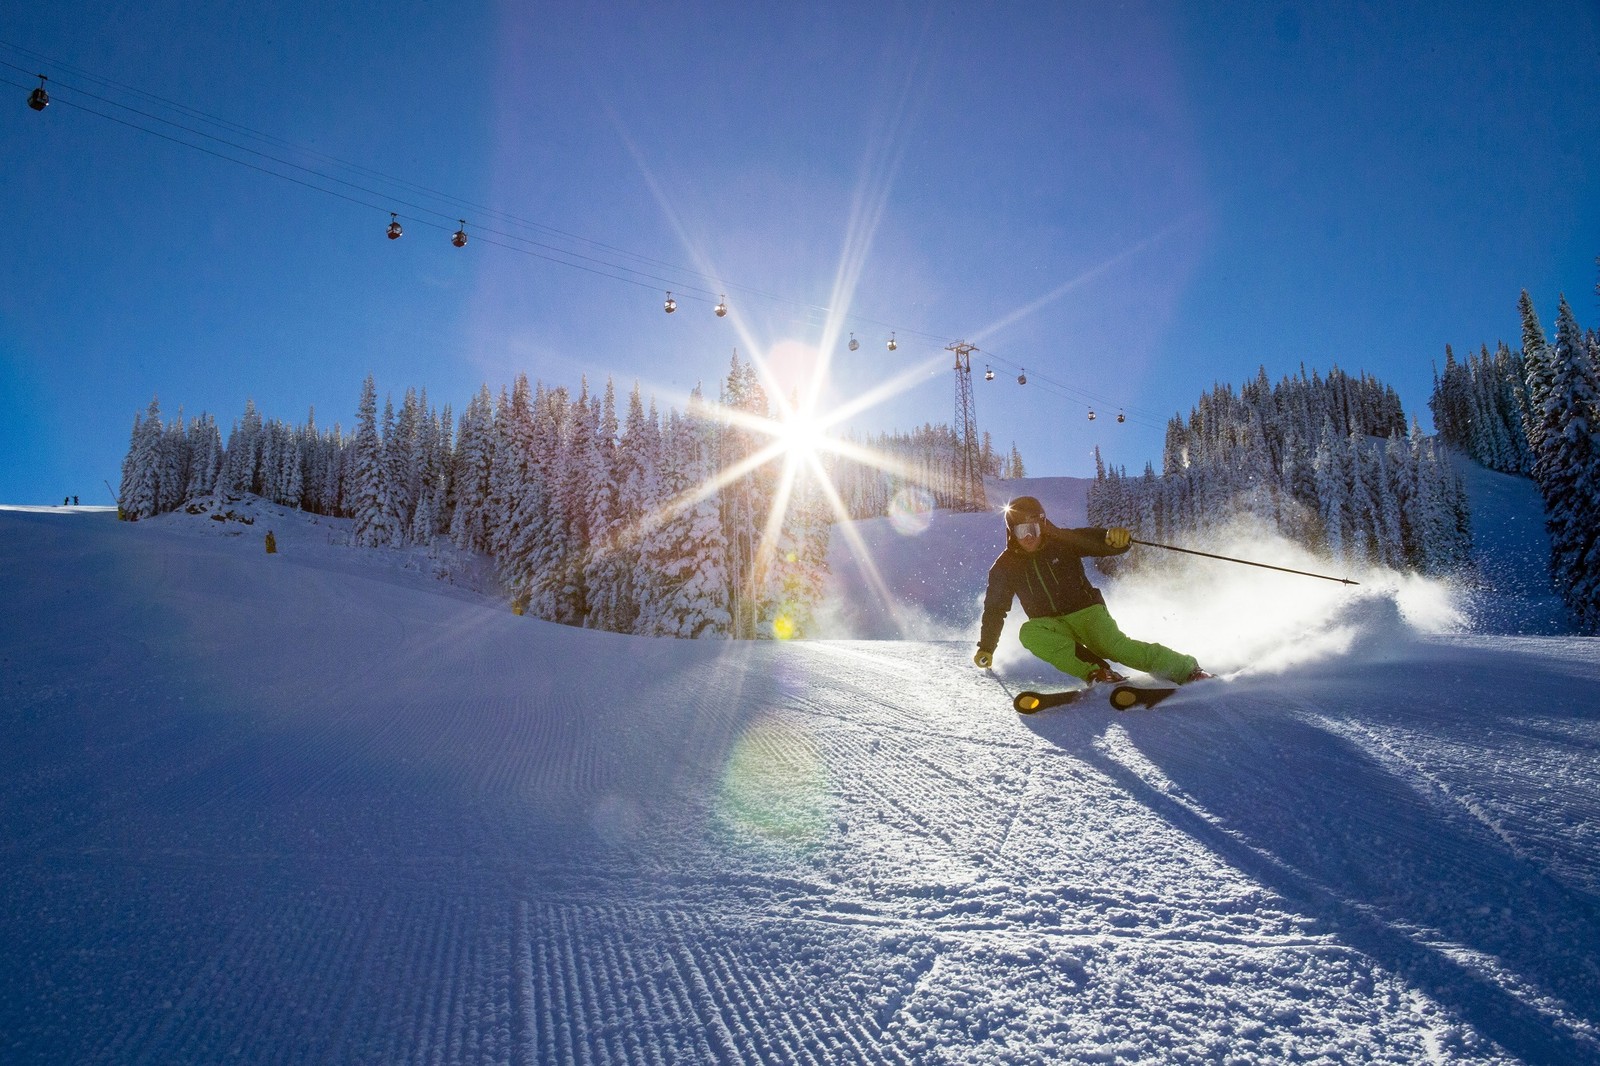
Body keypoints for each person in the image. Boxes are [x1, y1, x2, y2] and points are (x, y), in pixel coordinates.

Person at [974, 495, 1210, 686]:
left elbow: (1094, 541)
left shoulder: (1062, 542)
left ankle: (1187, 670)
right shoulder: (1005, 566)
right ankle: (1098, 673)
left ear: (1042, 525)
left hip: (1086, 613)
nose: (1027, 537)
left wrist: (1113, 539)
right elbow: (995, 608)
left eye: (1032, 529)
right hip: (1049, 623)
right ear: (1011, 533)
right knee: (1029, 633)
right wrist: (986, 647)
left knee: (1115, 648)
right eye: (1020, 531)